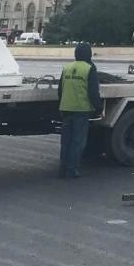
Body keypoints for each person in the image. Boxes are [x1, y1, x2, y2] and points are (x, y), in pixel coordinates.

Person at [57, 41, 103, 178]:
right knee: (77, 142)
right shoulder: (89, 68)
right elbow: (93, 93)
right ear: (89, 54)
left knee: (66, 142)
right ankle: (72, 170)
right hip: (81, 110)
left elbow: (60, 90)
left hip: (66, 109)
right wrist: (99, 108)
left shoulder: (67, 67)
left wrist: (63, 104)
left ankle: (62, 169)